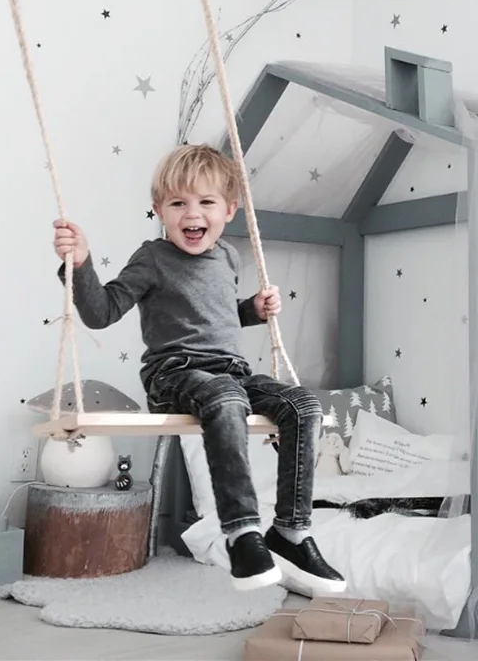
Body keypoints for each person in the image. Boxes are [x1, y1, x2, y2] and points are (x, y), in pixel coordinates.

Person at [52, 143, 346, 595]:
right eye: (178, 203)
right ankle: (241, 533)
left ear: (229, 210)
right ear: (159, 211)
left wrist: (252, 310)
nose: (193, 214)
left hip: (231, 372)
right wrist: (80, 264)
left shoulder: (228, 256)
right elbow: (102, 312)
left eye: (206, 202)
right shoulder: (152, 258)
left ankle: (290, 532)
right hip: (174, 373)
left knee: (303, 405)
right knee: (225, 397)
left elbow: (215, 315)